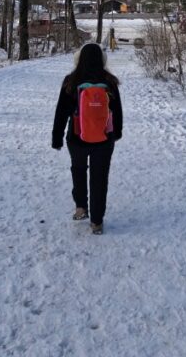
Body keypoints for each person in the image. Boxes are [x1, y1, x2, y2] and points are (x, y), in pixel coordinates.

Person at [52, 43, 123, 235]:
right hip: (104, 138)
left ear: (79, 59)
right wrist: (117, 133)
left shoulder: (71, 81)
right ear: (102, 59)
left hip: (77, 137)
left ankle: (81, 207)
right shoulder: (109, 81)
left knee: (78, 170)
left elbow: (61, 112)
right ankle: (97, 222)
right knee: (100, 177)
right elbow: (117, 110)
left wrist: (57, 138)